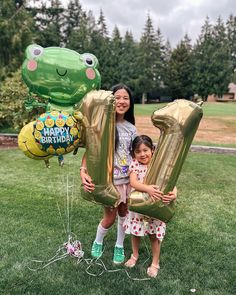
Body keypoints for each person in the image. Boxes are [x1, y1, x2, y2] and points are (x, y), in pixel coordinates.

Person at [80, 83, 137, 264]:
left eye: (125, 98)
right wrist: (83, 171)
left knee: (124, 213)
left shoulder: (131, 128)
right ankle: (98, 241)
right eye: (117, 97)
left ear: (130, 102)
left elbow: (135, 153)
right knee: (110, 217)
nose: (121, 101)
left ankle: (119, 245)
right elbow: (90, 151)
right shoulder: (102, 125)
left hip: (127, 181)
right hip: (109, 183)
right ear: (110, 101)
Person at [123, 135, 177, 278]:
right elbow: (133, 183)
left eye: (145, 150)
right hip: (139, 206)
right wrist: (147, 189)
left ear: (152, 150)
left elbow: (170, 181)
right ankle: (134, 255)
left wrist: (174, 193)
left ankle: (155, 263)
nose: (142, 154)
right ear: (134, 153)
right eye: (138, 151)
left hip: (154, 206)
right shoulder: (135, 164)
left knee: (153, 236)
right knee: (136, 233)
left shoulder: (157, 165)